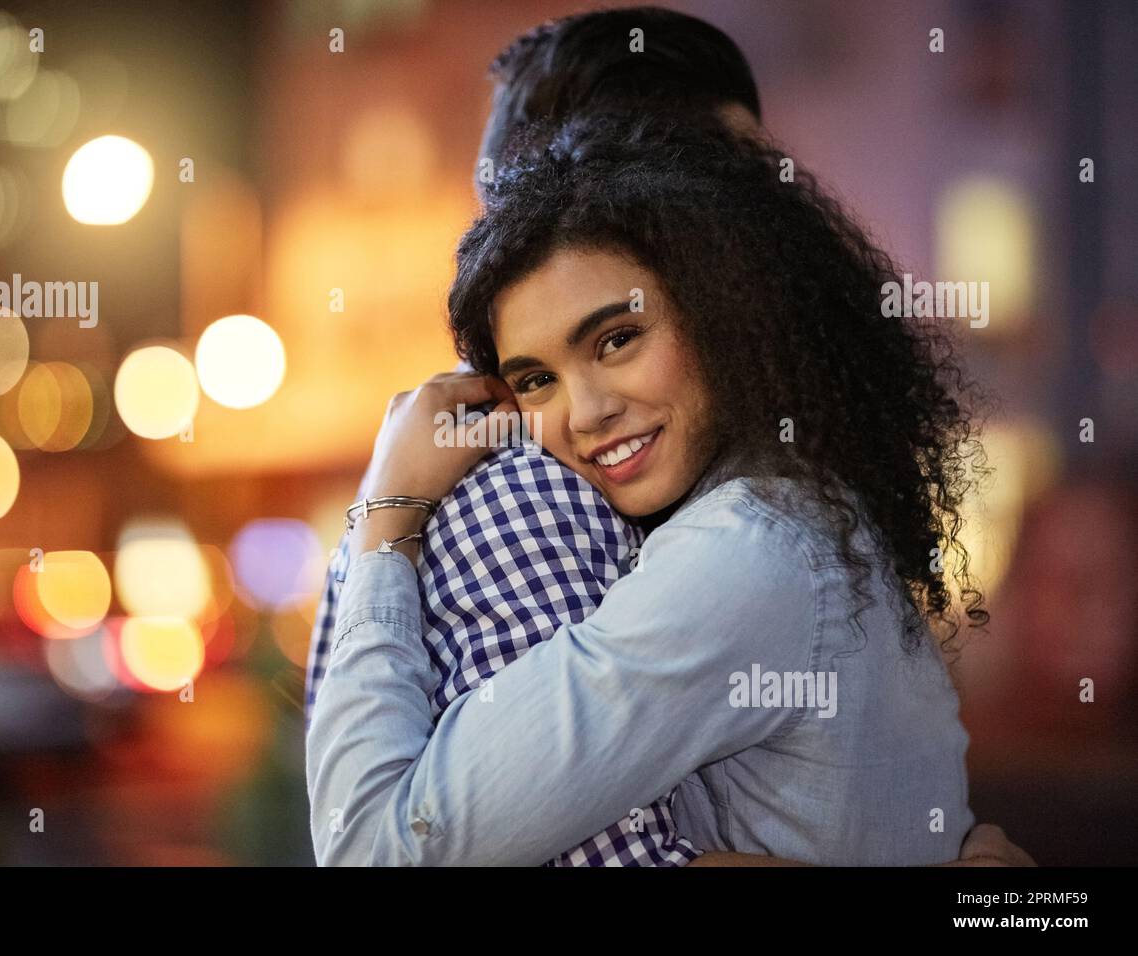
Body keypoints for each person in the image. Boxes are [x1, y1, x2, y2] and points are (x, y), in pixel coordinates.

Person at [307, 111, 991, 866]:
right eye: (537, 381)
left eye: (617, 340)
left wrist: (385, 516)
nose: (587, 412)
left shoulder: (743, 555)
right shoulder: (788, 515)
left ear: (722, 315)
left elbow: (371, 847)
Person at [306, 6, 768, 866]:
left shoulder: (634, 480)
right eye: (739, 172)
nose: (780, 209)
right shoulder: (524, 494)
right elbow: (379, 850)